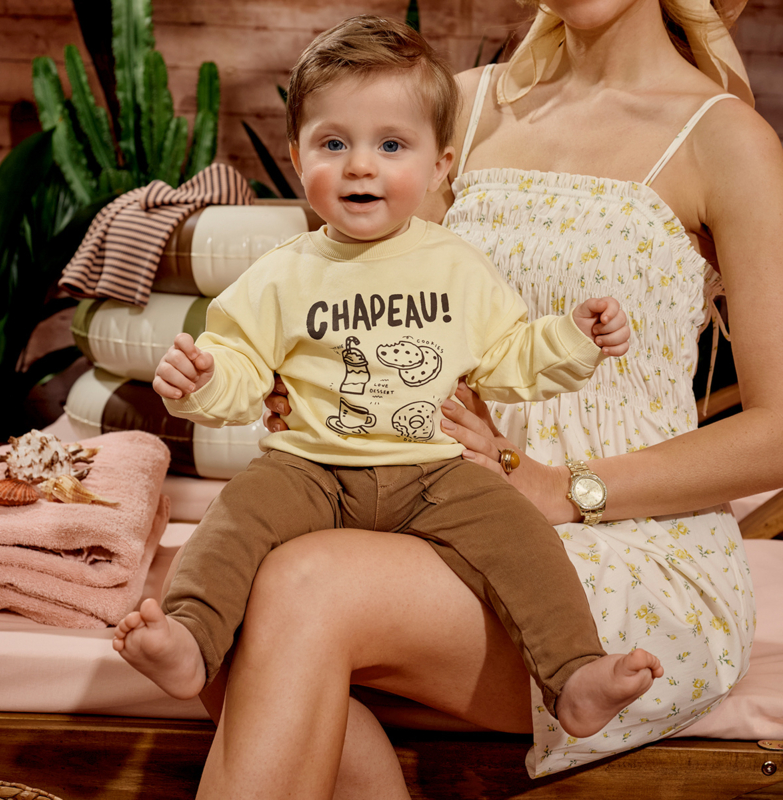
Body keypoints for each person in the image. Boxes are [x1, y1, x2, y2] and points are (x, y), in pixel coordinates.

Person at [209, 0, 782, 796]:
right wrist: (304, 380)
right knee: (212, 603)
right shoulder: (461, 104)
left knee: (304, 585)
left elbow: (776, 431)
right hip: (435, 502)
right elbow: (375, 294)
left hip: (628, 550)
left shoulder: (724, 139)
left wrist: (563, 487)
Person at [112, 15, 661, 742]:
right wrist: (203, 379)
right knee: (233, 519)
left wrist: (575, 338)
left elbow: (507, 356)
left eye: (391, 145)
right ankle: (190, 638)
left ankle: (574, 671)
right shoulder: (281, 274)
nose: (360, 167)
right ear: (297, 156)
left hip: (434, 471)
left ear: (440, 167)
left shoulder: (457, 265)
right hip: (311, 468)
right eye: (333, 144)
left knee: (523, 536)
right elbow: (242, 368)